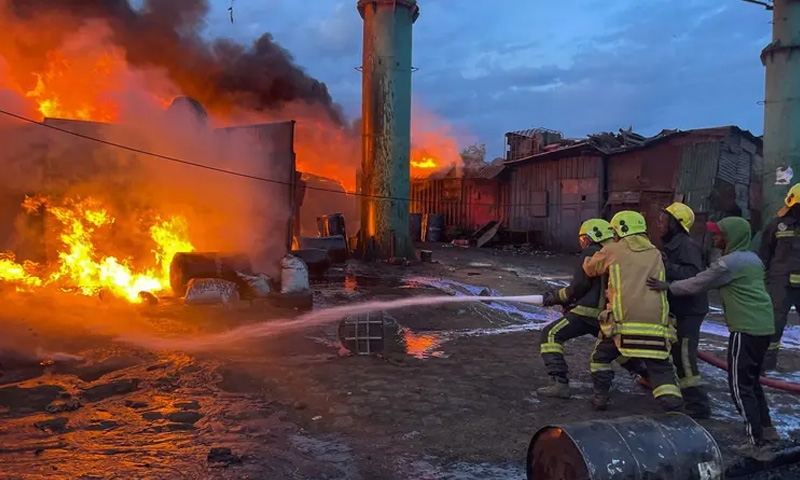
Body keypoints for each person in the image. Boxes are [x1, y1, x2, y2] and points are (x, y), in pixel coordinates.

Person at [648, 217, 778, 460]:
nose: (715, 238)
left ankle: (757, 443)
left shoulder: (728, 264)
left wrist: (667, 286)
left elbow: (697, 283)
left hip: (746, 328)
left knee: (739, 386)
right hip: (764, 325)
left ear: (732, 236)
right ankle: (768, 430)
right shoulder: (754, 260)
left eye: (719, 235)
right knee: (752, 381)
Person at [537, 219, 649, 398]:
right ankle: (647, 375)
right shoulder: (620, 253)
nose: (583, 243)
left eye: (583, 238)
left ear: (592, 236)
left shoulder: (592, 253)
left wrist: (556, 297)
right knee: (617, 348)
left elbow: (579, 286)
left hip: (588, 313)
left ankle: (559, 383)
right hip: (612, 315)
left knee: (550, 334)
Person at [583, 211, 682, 412]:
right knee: (660, 367)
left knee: (600, 358)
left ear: (620, 229)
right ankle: (673, 405)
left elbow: (590, 269)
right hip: (657, 327)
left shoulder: (613, 249)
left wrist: (589, 254)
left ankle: (600, 398)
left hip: (622, 324)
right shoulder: (655, 252)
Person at [660, 202, 711, 419]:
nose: (661, 224)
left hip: (690, 310)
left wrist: (665, 266)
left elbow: (694, 274)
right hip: (680, 309)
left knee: (685, 357)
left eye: (666, 220)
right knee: (677, 355)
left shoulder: (687, 246)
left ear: (677, 224)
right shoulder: (674, 244)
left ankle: (698, 406)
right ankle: (688, 397)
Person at [758, 183, 800, 371]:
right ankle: (766, 364)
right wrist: (762, 278)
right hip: (780, 283)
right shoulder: (777, 224)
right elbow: (765, 253)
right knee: (774, 323)